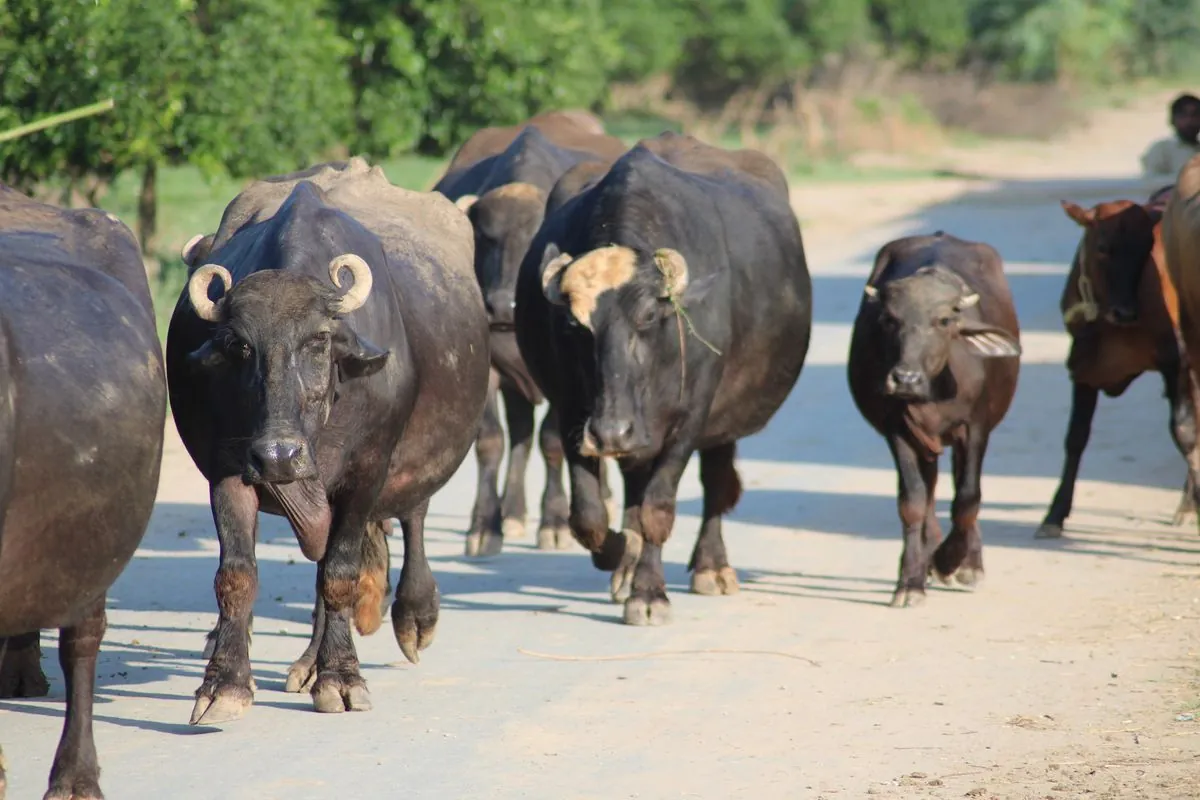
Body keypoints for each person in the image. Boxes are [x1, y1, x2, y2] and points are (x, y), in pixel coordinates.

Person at [1141, 93, 1200, 179]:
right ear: (1172, 120)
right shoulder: (1161, 150)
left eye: (1195, 115)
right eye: (1183, 115)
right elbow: (1151, 184)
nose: (1189, 121)